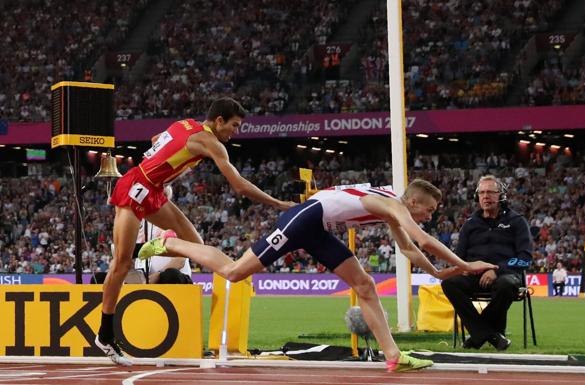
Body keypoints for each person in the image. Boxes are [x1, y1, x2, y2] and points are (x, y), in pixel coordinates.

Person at [139, 180, 497, 372]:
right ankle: (173, 244)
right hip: (303, 219)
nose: (429, 216)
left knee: (365, 285)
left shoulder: (391, 205)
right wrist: (466, 266)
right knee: (234, 271)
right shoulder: (393, 205)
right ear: (414, 203)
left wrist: (436, 271)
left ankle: (393, 356)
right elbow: (422, 238)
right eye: (429, 210)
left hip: (317, 227)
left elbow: (408, 249)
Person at [95, 97, 294, 366]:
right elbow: (240, 187)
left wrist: (164, 166)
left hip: (153, 191)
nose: (236, 132)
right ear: (219, 120)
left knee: (194, 242)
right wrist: (279, 203)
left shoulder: (185, 124)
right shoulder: (210, 142)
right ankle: (105, 335)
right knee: (120, 264)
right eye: (234, 126)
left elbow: (157, 138)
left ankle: (150, 247)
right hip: (135, 189)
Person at [441, 175, 532, 351]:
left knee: (506, 284)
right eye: (482, 192)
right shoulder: (469, 224)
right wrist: (463, 268)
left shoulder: (517, 222)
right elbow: (459, 257)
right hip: (474, 276)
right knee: (449, 284)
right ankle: (492, 335)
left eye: (490, 192)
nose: (485, 196)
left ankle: (478, 334)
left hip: (506, 275)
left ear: (501, 196)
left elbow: (525, 257)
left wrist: (497, 271)